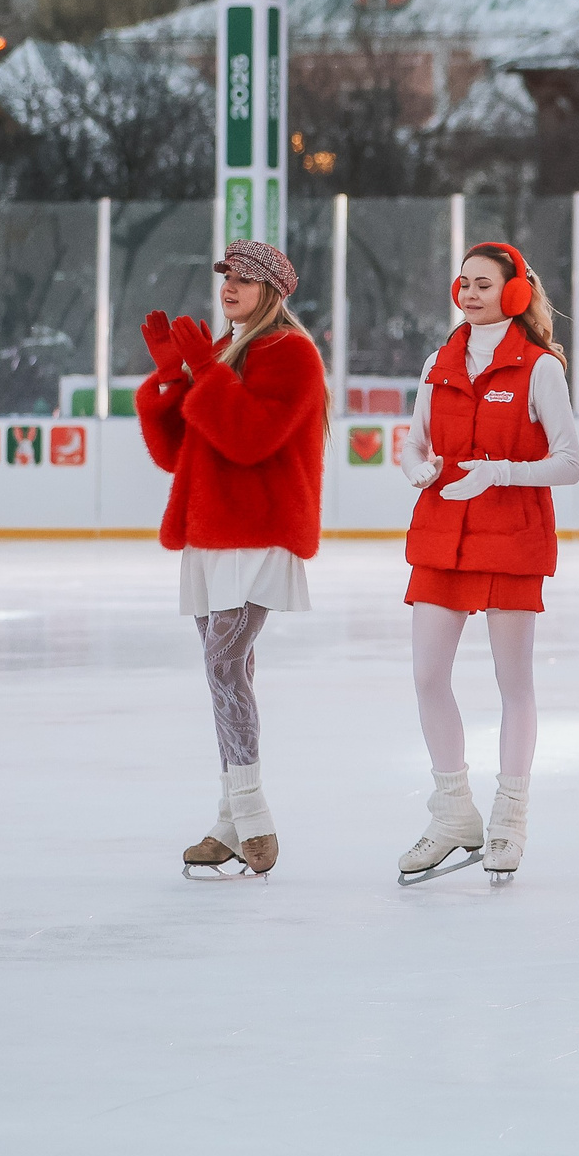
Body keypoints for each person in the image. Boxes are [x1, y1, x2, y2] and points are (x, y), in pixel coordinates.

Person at [134, 241, 326, 880]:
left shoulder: (292, 353)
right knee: (226, 668)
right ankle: (230, 820)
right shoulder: (223, 352)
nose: (230, 288)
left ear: (272, 291)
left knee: (223, 663)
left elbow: (250, 439)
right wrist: (170, 377)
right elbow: (176, 450)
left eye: (245, 280)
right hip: (209, 530)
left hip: (260, 529)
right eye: (226, 278)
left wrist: (203, 371)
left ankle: (253, 816)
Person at [392, 242, 579, 886]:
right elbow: (414, 439)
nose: (469, 293)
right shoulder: (437, 363)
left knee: (513, 684)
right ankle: (453, 815)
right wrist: (415, 466)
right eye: (463, 283)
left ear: (514, 293)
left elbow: (570, 462)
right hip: (442, 535)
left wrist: (502, 472)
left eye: (483, 283)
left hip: (509, 539)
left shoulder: (539, 368)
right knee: (426, 675)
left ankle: (510, 817)